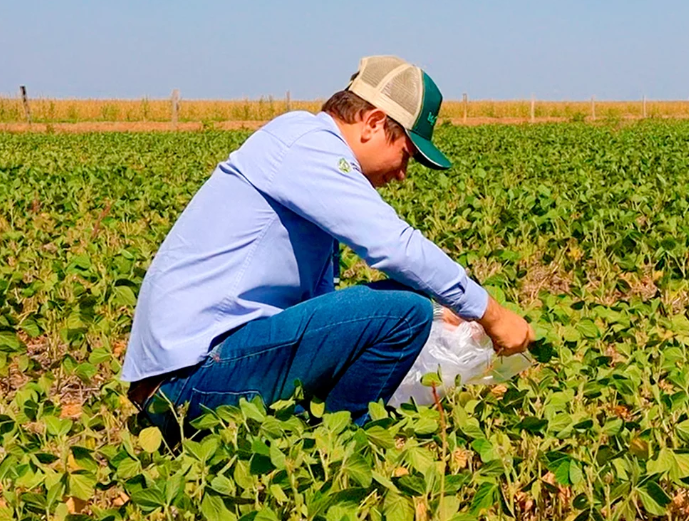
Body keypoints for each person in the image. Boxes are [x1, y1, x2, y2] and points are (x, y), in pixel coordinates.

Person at [122, 55, 534, 443]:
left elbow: (316, 315)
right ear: (372, 122)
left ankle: (315, 433)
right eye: (406, 153)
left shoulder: (302, 152)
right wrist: (490, 313)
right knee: (404, 309)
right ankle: (343, 443)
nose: (403, 174)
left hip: (196, 377)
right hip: (189, 383)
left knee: (410, 309)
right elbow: (393, 245)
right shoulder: (306, 145)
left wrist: (441, 312)